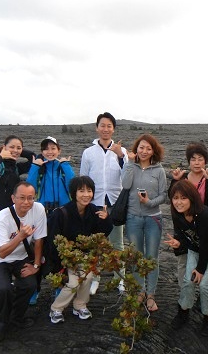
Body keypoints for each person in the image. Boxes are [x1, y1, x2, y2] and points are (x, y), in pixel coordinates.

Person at [0, 182, 47, 342]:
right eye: (22, 198)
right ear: (13, 198)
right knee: (3, 289)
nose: (26, 202)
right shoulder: (2, 217)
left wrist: (36, 266)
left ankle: (16, 317)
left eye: (30, 198)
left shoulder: (38, 209)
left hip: (20, 256)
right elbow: (2, 253)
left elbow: (39, 240)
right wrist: (20, 236)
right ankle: (1, 323)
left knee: (29, 285)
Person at [48, 176, 113, 323]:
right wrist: (60, 265)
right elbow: (52, 242)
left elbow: (101, 234)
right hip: (63, 258)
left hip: (83, 256)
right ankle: (56, 309)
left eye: (89, 191)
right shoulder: (61, 213)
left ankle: (79, 305)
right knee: (73, 282)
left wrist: (106, 219)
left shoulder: (93, 211)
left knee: (88, 276)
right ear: (73, 193)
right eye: (81, 191)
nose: (86, 194)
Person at [0, 135, 35, 303]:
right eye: (12, 147)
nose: (16, 151)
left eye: (19, 148)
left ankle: (12, 281)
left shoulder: (15, 167)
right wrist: (1, 154)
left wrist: (17, 150)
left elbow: (34, 158)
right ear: (4, 147)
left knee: (14, 244)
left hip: (13, 214)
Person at [79, 112, 128, 295]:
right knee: (96, 243)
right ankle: (95, 278)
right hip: (95, 202)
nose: (105, 129)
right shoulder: (88, 152)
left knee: (117, 243)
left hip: (115, 202)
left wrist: (121, 157)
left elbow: (127, 177)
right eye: (102, 125)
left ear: (113, 129)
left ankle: (120, 279)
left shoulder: (121, 151)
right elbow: (83, 178)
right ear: (97, 127)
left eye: (109, 126)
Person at [164, 179, 208, 337]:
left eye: (183, 198)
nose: (179, 202)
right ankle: (183, 311)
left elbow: (207, 245)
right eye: (175, 198)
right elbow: (182, 235)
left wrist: (200, 269)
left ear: (192, 198)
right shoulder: (177, 214)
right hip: (195, 249)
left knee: (205, 286)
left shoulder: (204, 215)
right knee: (188, 281)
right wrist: (178, 242)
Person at [26, 135, 75, 305]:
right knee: (36, 253)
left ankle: (59, 286)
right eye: (46, 149)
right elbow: (29, 187)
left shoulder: (62, 168)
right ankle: (34, 288)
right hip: (41, 215)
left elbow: (73, 185)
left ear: (59, 150)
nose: (50, 151)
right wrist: (34, 167)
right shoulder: (39, 168)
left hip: (61, 215)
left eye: (53, 148)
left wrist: (65, 165)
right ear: (42, 152)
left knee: (60, 252)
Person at [121, 134, 167, 312]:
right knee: (136, 258)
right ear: (136, 149)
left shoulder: (159, 170)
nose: (144, 151)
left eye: (148, 148)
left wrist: (149, 203)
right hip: (133, 218)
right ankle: (139, 292)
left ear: (154, 151)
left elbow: (163, 195)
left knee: (152, 258)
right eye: (141, 147)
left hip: (153, 219)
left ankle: (151, 295)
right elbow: (125, 185)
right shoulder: (130, 166)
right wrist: (130, 163)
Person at [168, 141, 208, 290]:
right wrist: (175, 180)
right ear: (188, 161)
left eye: (200, 159)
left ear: (205, 161)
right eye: (193, 159)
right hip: (185, 224)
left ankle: (203, 286)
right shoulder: (183, 177)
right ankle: (185, 290)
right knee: (184, 259)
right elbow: (173, 198)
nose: (196, 163)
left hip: (203, 224)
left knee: (204, 254)